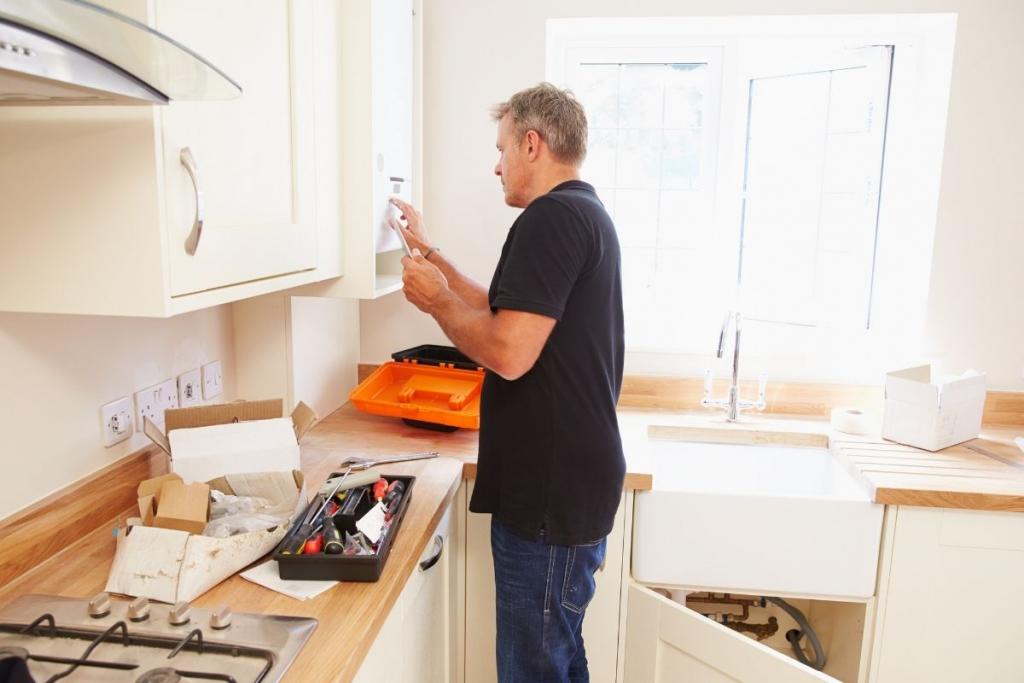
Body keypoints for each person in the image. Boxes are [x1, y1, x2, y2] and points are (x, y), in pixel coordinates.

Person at [392, 82, 625, 683]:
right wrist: (433, 257)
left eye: (501, 150)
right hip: (571, 484)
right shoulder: (582, 212)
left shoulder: (552, 219)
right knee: (559, 660)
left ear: (531, 143)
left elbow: (507, 351)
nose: (496, 167)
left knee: (533, 672)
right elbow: (504, 308)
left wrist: (436, 304)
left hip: (550, 492)